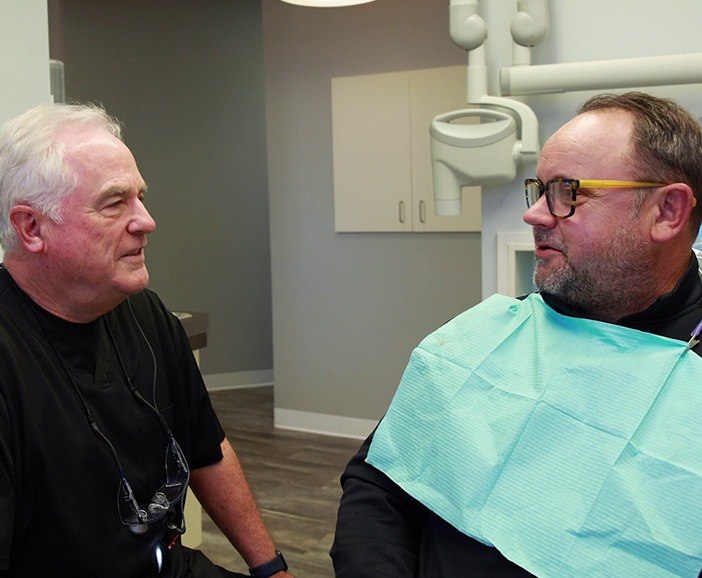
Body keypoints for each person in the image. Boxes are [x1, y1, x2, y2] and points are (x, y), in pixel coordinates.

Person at [331, 91, 702, 577]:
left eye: (569, 192)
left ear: (667, 211)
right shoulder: (491, 337)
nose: (534, 215)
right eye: (540, 189)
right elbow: (378, 485)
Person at [0, 103, 294, 578]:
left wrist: (272, 570)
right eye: (115, 203)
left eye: (140, 197)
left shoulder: (148, 315)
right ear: (31, 228)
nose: (146, 221)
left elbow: (208, 452)